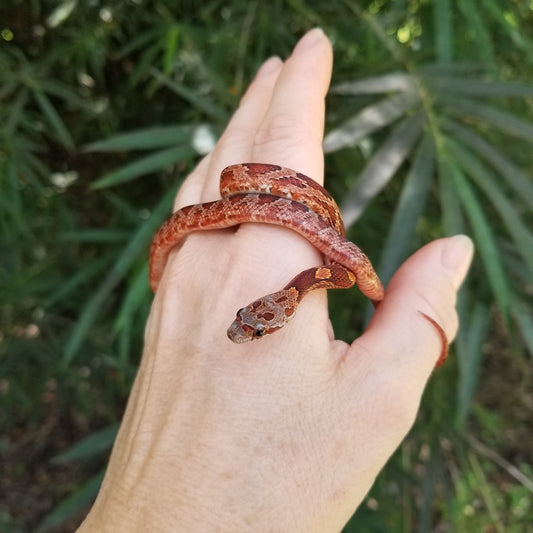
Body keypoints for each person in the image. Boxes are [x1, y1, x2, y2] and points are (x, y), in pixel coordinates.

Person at [77, 28, 473, 532]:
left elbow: (341, 271)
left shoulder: (328, 277)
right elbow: (244, 198)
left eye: (254, 326)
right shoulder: (318, 277)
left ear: (278, 310)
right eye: (250, 321)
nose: (244, 327)